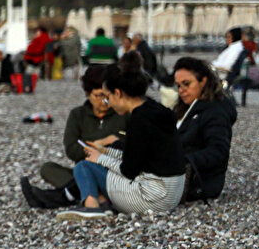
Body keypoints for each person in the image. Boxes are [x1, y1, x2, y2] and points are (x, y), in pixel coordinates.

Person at [57, 53, 186, 220]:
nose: (108, 103)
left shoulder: (138, 119)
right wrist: (105, 152)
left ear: (117, 93)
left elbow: (129, 170)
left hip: (151, 199)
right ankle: (102, 203)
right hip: (172, 194)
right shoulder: (155, 109)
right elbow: (141, 158)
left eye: (107, 97)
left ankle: (92, 207)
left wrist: (99, 159)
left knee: (84, 166)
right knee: (99, 163)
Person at [19, 65, 127, 208]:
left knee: (88, 173)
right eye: (98, 96)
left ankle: (68, 196)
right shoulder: (78, 115)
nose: (104, 101)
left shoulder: (122, 114)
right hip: (84, 168)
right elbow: (71, 149)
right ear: (88, 93)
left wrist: (111, 146)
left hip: (113, 172)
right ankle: (96, 195)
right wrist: (97, 145)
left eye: (107, 96)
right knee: (48, 168)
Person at [172, 56, 237, 201]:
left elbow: (218, 151)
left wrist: (184, 160)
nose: (181, 90)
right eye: (178, 86)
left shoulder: (215, 112)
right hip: (175, 176)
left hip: (196, 184)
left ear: (203, 81)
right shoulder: (186, 108)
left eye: (186, 84)